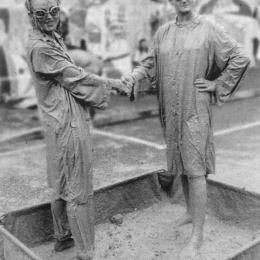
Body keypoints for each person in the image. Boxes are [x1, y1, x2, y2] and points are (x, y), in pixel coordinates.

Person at [122, 0, 250, 258]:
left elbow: (240, 57)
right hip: (170, 108)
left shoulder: (209, 29)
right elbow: (149, 63)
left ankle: (198, 235)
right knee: (179, 162)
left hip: (194, 109)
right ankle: (190, 213)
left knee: (195, 168)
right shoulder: (163, 32)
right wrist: (135, 76)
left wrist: (218, 83)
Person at [25, 0, 127, 259]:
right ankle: (86, 252)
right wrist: (115, 84)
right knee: (78, 191)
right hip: (67, 122)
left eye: (54, 11)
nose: (49, 17)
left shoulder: (50, 38)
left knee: (60, 184)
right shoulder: (41, 47)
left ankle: (62, 239)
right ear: (30, 14)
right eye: (41, 13)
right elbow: (76, 77)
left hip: (57, 121)